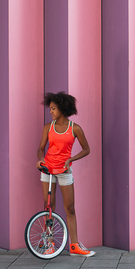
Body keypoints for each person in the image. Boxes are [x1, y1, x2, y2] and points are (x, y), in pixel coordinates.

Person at [36, 92, 95, 257]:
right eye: (51, 108)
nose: (51, 111)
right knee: (49, 207)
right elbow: (41, 148)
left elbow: (87, 149)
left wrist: (71, 160)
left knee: (70, 208)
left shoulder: (75, 128)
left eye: (54, 108)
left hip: (64, 171)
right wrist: (41, 160)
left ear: (62, 108)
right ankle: (50, 243)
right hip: (47, 170)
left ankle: (74, 245)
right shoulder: (48, 127)